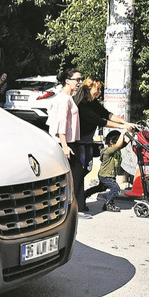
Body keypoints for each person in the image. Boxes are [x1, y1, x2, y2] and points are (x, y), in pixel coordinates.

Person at [47, 68, 88, 217]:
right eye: (77, 79)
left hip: (68, 142)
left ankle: (74, 209)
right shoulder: (64, 99)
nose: (79, 83)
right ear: (67, 80)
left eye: (80, 79)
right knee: (75, 174)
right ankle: (75, 210)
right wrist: (65, 146)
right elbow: (61, 123)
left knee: (72, 174)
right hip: (66, 143)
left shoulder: (65, 97)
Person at [76, 77, 137, 174]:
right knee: (80, 169)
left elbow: (107, 115)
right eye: (98, 89)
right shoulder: (82, 105)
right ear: (89, 89)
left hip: (88, 140)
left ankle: (78, 188)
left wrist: (125, 123)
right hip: (79, 141)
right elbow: (100, 121)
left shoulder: (93, 102)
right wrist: (121, 126)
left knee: (87, 168)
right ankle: (76, 189)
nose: (99, 92)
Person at [84, 128, 128, 212]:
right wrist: (123, 133)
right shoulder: (108, 151)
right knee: (115, 188)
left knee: (101, 188)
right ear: (111, 142)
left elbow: (124, 143)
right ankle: (108, 204)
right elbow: (118, 145)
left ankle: (86, 194)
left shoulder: (116, 149)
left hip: (110, 175)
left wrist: (131, 133)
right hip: (105, 175)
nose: (120, 143)